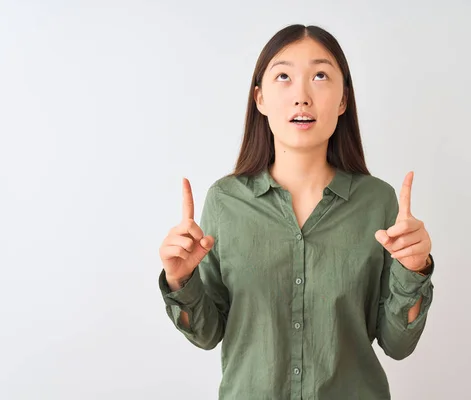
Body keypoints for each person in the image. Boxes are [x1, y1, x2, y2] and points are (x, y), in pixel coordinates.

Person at [158, 24, 435, 400]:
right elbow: (207, 334)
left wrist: (414, 270)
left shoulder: (379, 203)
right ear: (260, 99)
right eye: (284, 77)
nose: (302, 95)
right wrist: (180, 280)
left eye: (320, 76)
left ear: (342, 100)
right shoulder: (225, 202)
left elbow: (397, 344)